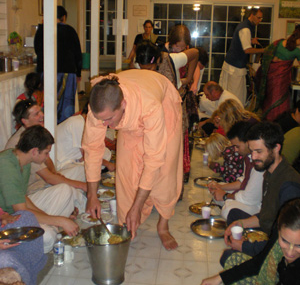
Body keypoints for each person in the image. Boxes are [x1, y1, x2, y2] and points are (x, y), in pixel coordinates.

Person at [82, 70, 183, 250]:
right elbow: (92, 149)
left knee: (164, 169)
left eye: (108, 120)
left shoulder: (151, 107)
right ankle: (126, 222)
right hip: (132, 108)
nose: (105, 125)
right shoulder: (100, 108)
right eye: (101, 120)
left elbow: (154, 160)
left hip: (163, 102)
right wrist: (92, 194)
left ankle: (163, 225)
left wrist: (137, 207)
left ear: (123, 104)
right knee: (126, 169)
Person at [199, 198, 300, 285]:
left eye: (298, 245)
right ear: (278, 230)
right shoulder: (277, 238)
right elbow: (260, 262)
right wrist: (219, 278)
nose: (289, 251)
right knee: (233, 259)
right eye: (284, 241)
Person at [222, 121, 300, 261]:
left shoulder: (289, 186)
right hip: (268, 230)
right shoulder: (269, 172)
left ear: (276, 148)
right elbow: (266, 216)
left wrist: (245, 247)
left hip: (281, 247)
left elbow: (282, 244)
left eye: (258, 152)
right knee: (234, 216)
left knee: (228, 258)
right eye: (251, 152)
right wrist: (240, 224)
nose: (253, 157)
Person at [0, 125, 80, 253]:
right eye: (46, 153)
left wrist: (50, 217)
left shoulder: (23, 161)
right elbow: (22, 212)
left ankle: (51, 225)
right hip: (7, 218)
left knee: (65, 190)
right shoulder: (7, 166)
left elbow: (23, 198)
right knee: (48, 237)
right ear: (34, 151)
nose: (47, 157)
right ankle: (50, 230)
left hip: (17, 210)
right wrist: (59, 220)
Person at [135, 40, 199, 187]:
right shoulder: (138, 61)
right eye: (142, 68)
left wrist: (189, 79)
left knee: (169, 154)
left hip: (171, 113)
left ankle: (168, 189)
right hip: (150, 113)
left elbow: (195, 53)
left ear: (157, 61)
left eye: (150, 68)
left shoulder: (171, 59)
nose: (146, 72)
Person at [6, 100, 87, 199]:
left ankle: (75, 200)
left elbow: (47, 160)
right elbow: (48, 178)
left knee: (82, 170)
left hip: (43, 182)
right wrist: (81, 185)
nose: (42, 115)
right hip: (32, 191)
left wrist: (55, 173)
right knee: (65, 190)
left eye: (41, 111)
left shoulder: (36, 132)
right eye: (36, 114)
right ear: (25, 121)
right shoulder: (23, 141)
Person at [34, 5, 82, 123]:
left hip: (46, 71)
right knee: (66, 103)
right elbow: (77, 53)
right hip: (67, 71)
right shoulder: (69, 30)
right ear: (63, 17)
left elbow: (37, 50)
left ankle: (46, 126)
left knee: (47, 101)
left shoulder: (42, 30)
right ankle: (63, 128)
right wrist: (78, 72)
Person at [208, 121, 263, 220]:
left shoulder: (259, 162)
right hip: (246, 195)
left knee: (228, 209)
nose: (235, 150)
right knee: (217, 194)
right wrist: (221, 187)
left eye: (237, 146)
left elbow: (249, 198)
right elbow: (243, 180)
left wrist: (225, 196)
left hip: (257, 205)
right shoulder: (248, 157)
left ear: (248, 142)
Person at [219, 8, 266, 105]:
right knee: (235, 97)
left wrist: (251, 41)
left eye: (261, 18)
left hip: (232, 64)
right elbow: (247, 50)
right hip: (235, 68)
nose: (260, 20)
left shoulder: (245, 26)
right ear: (252, 15)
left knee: (231, 94)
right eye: (258, 18)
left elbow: (242, 42)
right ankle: (233, 117)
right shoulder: (245, 29)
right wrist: (263, 50)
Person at [255, 26, 300, 120]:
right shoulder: (296, 51)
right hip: (280, 80)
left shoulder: (278, 43)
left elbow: (267, 53)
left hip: (269, 76)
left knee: (269, 99)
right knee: (279, 101)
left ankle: (267, 119)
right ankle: (277, 121)